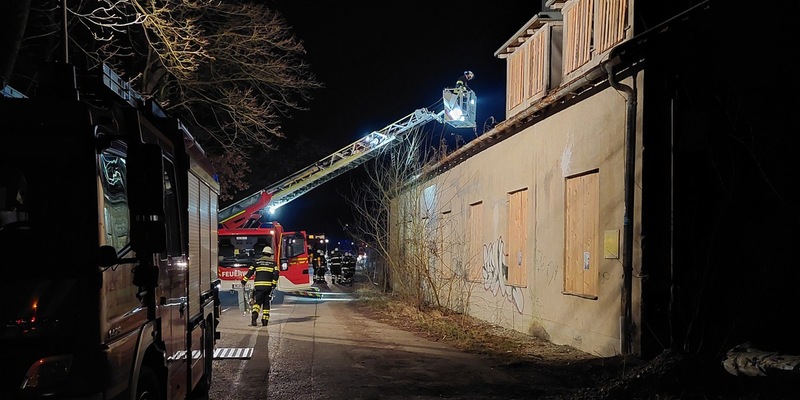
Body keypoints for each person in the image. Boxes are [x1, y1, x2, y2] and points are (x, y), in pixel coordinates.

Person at [241, 245, 278, 326]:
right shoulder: (273, 263)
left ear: (263, 253)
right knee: (266, 303)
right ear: (270, 254)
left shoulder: (256, 262)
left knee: (258, 302)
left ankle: (254, 315)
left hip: (258, 286)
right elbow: (276, 274)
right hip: (268, 287)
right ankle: (265, 321)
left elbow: (250, 272)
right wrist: (274, 284)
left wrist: (244, 281)